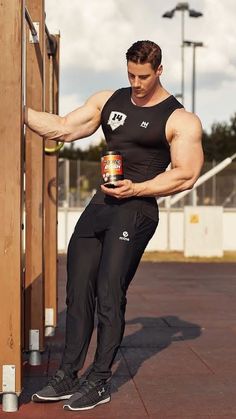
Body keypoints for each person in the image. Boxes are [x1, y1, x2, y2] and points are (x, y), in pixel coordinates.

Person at [25, 40, 203, 411]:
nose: (136, 83)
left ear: (159, 71)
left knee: (109, 293)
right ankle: (68, 373)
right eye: (130, 74)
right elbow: (60, 128)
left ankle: (100, 379)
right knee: (78, 289)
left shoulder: (179, 119)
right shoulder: (110, 101)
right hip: (102, 204)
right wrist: (19, 111)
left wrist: (138, 187)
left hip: (137, 208)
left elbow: (185, 175)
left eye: (143, 76)